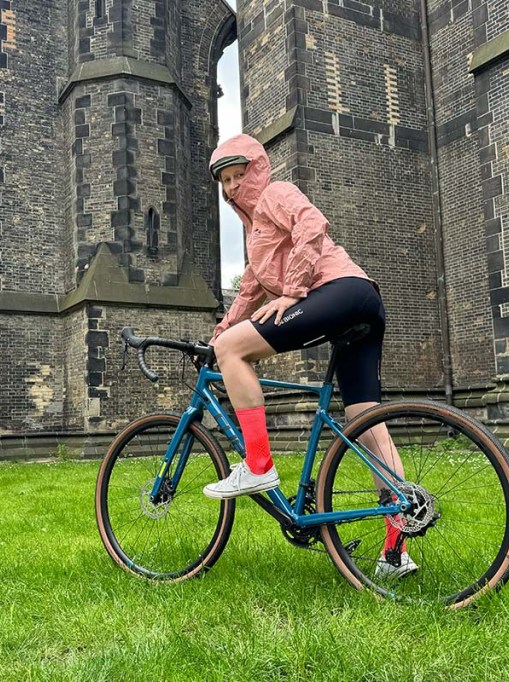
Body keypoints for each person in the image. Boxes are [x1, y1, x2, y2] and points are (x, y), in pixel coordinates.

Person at [202, 134, 417, 577]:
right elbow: (250, 290)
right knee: (365, 419)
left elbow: (313, 224)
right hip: (364, 300)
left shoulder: (276, 194)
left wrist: (296, 290)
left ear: (257, 170)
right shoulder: (255, 234)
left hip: (337, 292)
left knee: (232, 353)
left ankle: (258, 463)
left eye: (238, 176)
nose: (231, 188)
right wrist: (220, 330)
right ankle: (396, 549)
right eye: (225, 181)